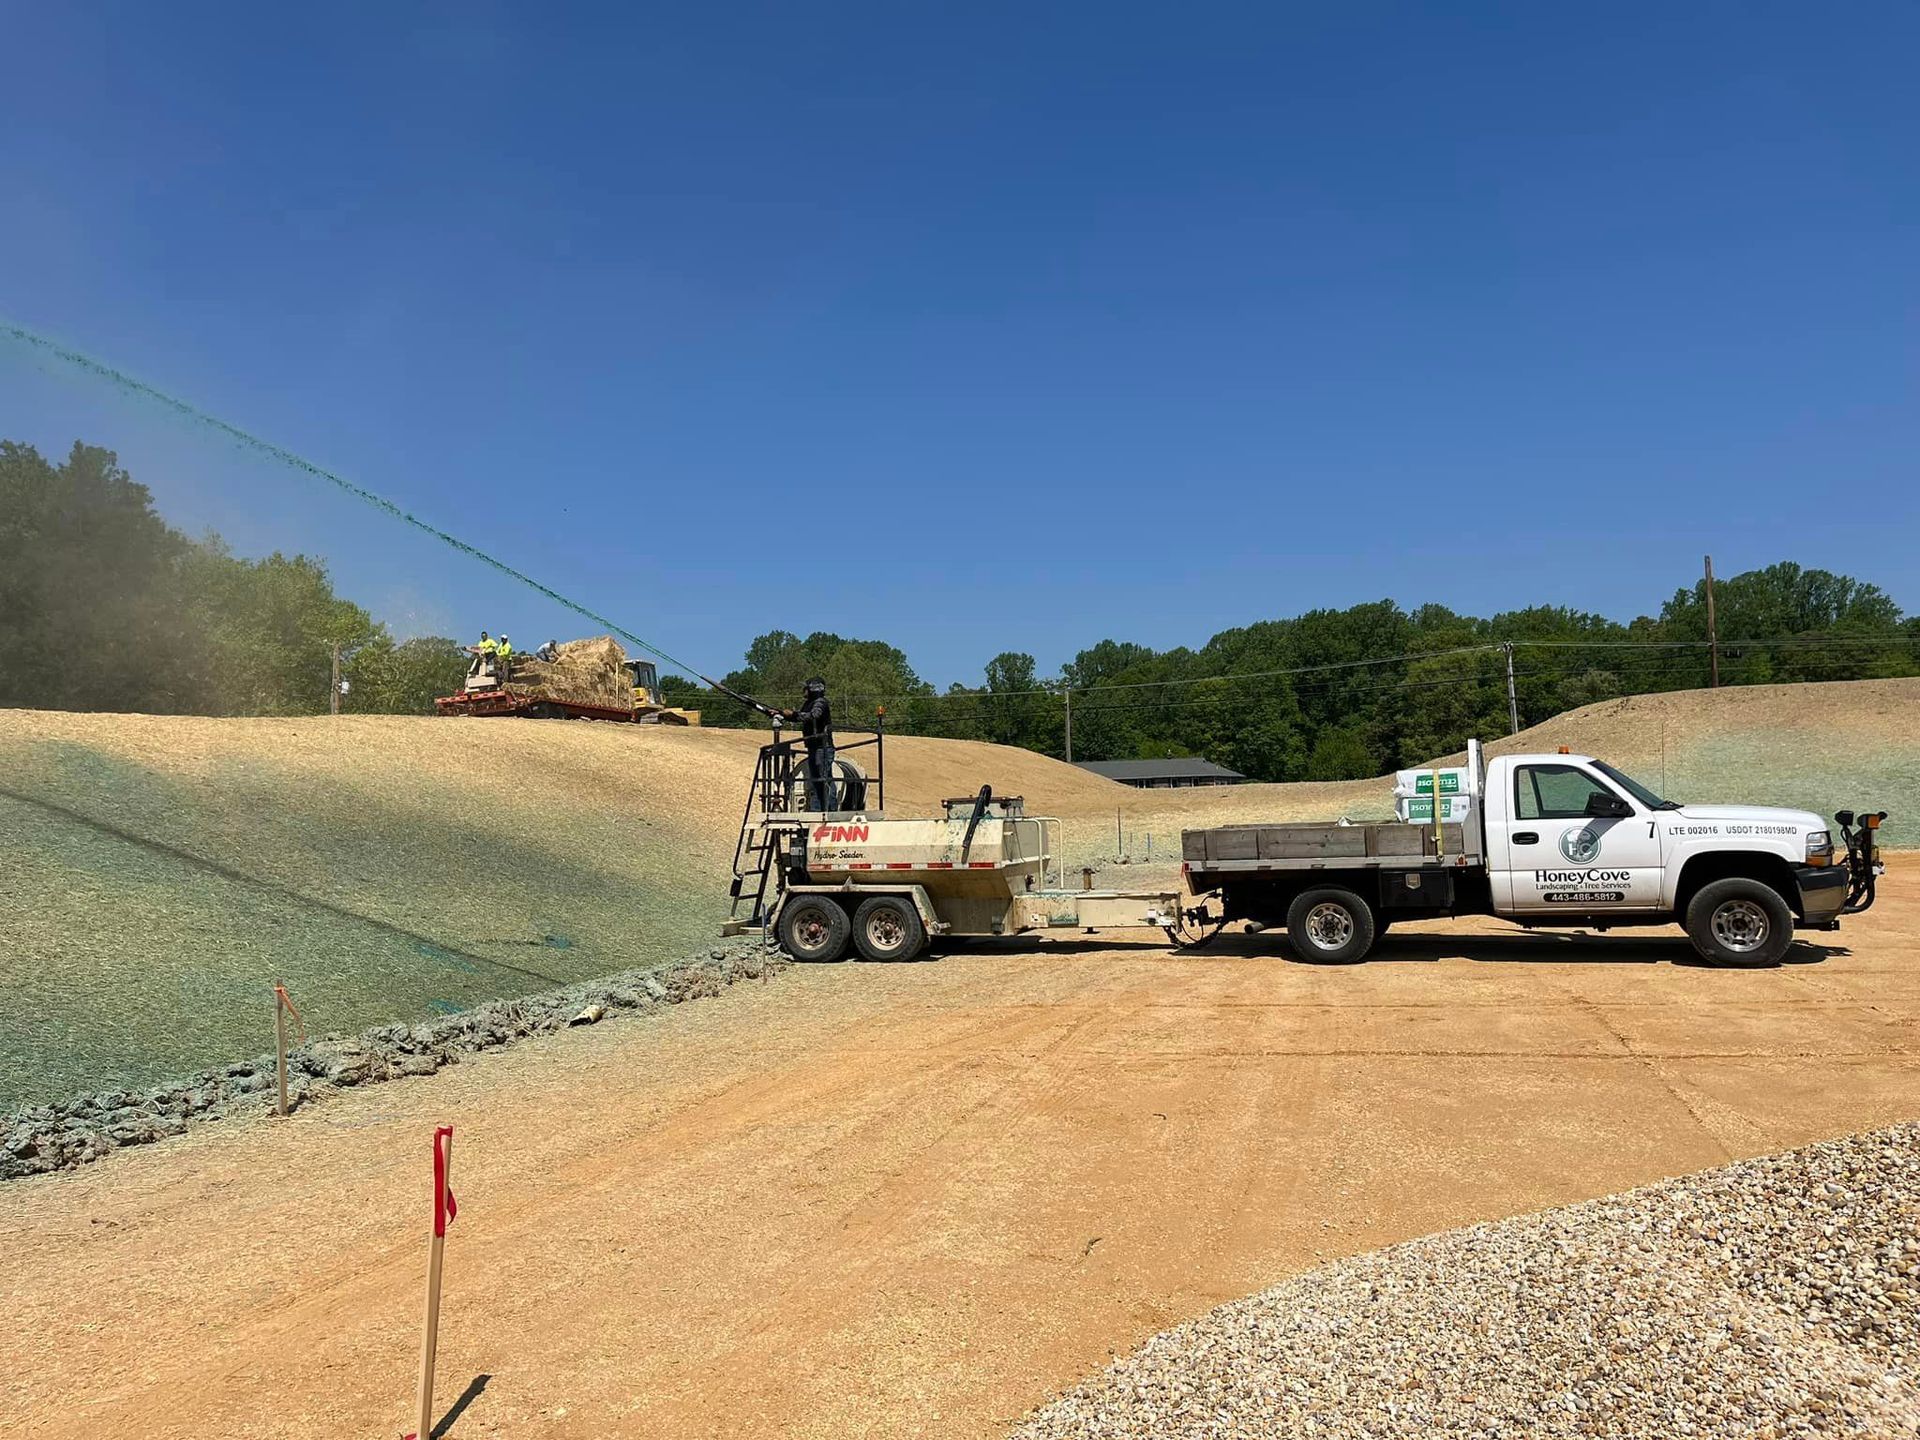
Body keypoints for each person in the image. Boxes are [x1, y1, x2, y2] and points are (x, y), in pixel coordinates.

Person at [783, 677, 836, 811]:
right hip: (814, 747)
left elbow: (814, 715)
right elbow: (801, 716)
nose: (804, 690)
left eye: (806, 687)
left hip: (822, 748)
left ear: (813, 689)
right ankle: (821, 809)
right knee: (817, 779)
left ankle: (825, 810)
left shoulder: (820, 702)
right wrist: (782, 714)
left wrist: (793, 714)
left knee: (822, 779)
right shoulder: (809, 703)